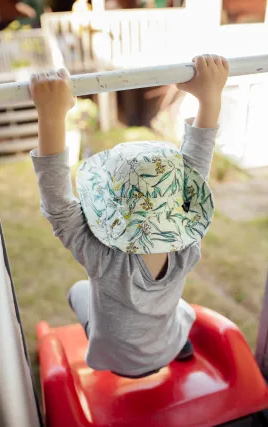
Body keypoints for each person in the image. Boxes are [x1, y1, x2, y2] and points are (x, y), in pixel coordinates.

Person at [29, 54, 229, 378]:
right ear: (181, 204)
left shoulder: (104, 259)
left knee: (77, 291)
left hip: (120, 363)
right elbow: (196, 168)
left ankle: (162, 345)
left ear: (109, 210)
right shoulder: (188, 245)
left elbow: (59, 208)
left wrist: (50, 118)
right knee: (176, 306)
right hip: (167, 344)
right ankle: (180, 346)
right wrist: (210, 97)